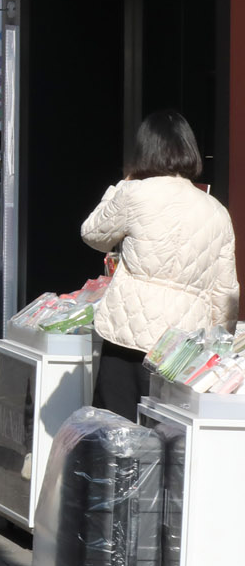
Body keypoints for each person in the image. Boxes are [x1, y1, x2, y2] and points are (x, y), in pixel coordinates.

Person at [81, 110, 239, 417]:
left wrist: (120, 186)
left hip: (128, 332)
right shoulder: (217, 211)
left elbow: (93, 234)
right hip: (182, 347)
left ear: (145, 150)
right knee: (169, 430)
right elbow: (225, 291)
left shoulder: (134, 194)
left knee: (116, 427)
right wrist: (218, 347)